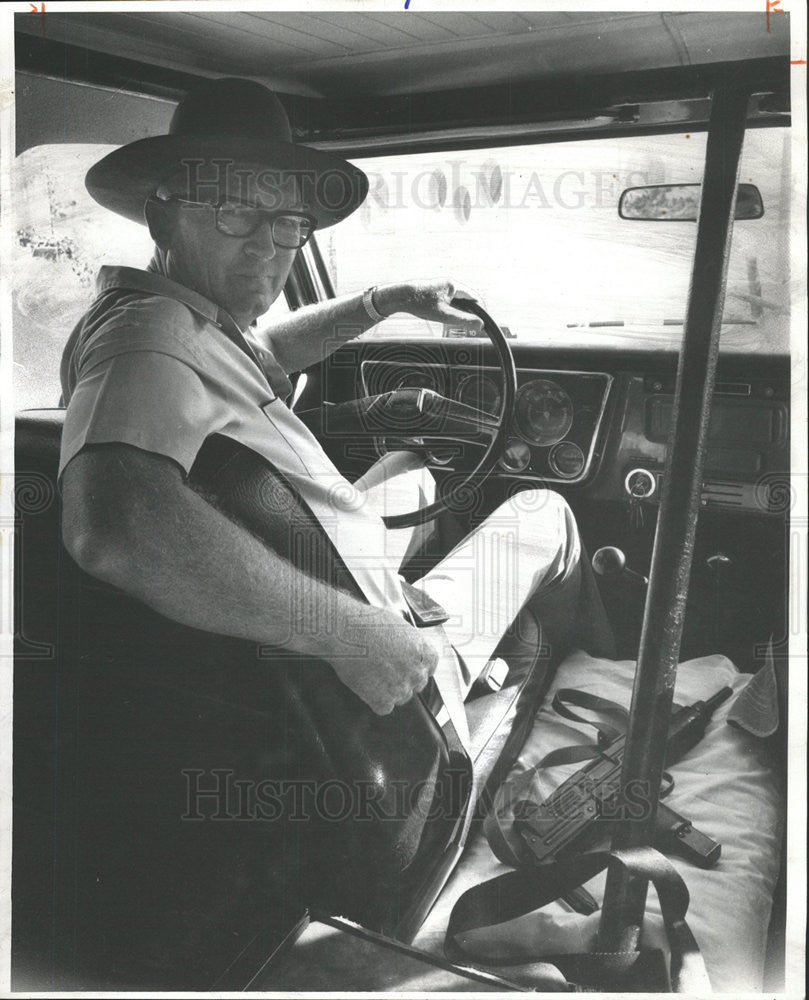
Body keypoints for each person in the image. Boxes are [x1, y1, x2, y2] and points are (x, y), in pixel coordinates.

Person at [60, 77, 613, 730]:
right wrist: (350, 633)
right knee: (543, 512)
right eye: (234, 213)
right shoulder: (148, 337)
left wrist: (381, 302)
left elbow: (259, 352)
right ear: (163, 216)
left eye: (287, 223)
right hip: (385, 681)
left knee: (413, 470)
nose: (266, 248)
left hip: (307, 580)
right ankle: (609, 677)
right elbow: (115, 525)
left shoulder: (181, 321)